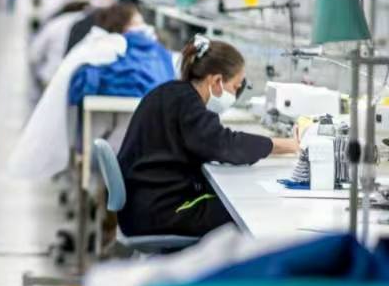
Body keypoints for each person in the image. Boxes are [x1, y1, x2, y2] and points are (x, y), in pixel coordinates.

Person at [118, 35, 298, 238]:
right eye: (236, 87)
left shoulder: (173, 93)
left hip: (146, 205)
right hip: (160, 211)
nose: (235, 94)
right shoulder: (188, 105)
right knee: (250, 212)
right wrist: (290, 145)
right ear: (216, 81)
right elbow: (225, 146)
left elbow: (212, 141)